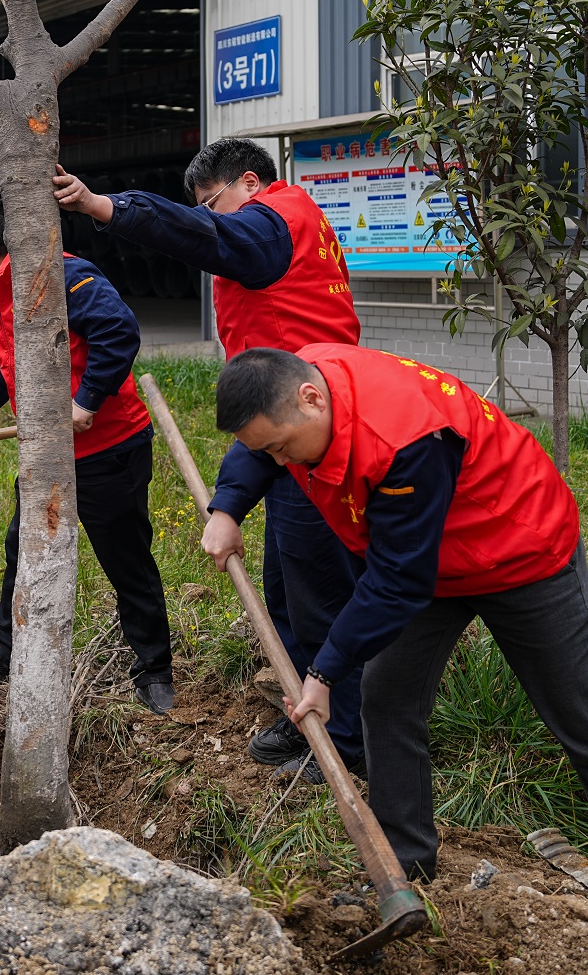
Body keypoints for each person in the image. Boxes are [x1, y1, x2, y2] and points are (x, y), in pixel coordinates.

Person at [212, 345, 588, 966]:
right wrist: (228, 505)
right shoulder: (293, 380)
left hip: (520, 551)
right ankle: (405, 871)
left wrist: (323, 671)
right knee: (387, 700)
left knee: (585, 723)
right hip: (429, 564)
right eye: (269, 453)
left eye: (284, 447)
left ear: (312, 398)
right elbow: (259, 446)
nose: (280, 462)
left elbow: (396, 582)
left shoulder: (403, 437)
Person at [55, 138, 367, 780]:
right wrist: (228, 504)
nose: (211, 218)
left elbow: (208, 237)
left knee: (319, 593)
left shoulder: (278, 219)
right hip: (285, 425)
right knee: (285, 586)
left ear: (250, 183)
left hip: (313, 429)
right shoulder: (283, 225)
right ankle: (310, 712)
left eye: (214, 203)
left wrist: (107, 207)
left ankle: (352, 742)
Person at [0, 199, 174, 713]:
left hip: (109, 447)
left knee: (125, 558)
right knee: (22, 550)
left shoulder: (64, 276)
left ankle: (153, 671)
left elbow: (119, 331)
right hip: (44, 452)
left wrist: (86, 402)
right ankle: (8, 648)